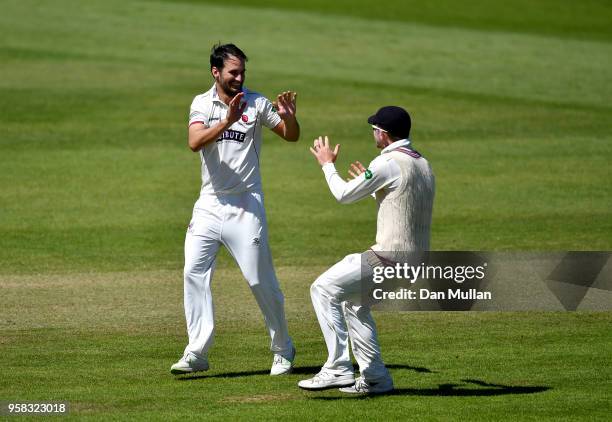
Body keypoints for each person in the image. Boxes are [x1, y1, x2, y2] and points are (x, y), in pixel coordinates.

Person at [170, 43, 299, 376]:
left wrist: (290, 118)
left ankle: (283, 348)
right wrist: (226, 120)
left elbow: (290, 136)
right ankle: (197, 351)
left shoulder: (256, 103)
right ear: (216, 72)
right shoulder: (202, 103)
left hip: (246, 204)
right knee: (193, 273)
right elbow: (194, 142)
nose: (240, 77)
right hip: (209, 204)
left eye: (243, 72)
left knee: (259, 279)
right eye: (233, 72)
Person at [299, 106, 435, 394]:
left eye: (375, 129)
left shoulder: (387, 162)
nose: (373, 132)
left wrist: (327, 164)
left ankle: (337, 368)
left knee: (322, 289)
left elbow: (343, 194)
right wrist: (373, 184)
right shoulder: (422, 163)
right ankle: (376, 378)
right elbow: (402, 197)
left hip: (389, 258)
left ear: (382, 134)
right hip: (415, 261)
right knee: (354, 304)